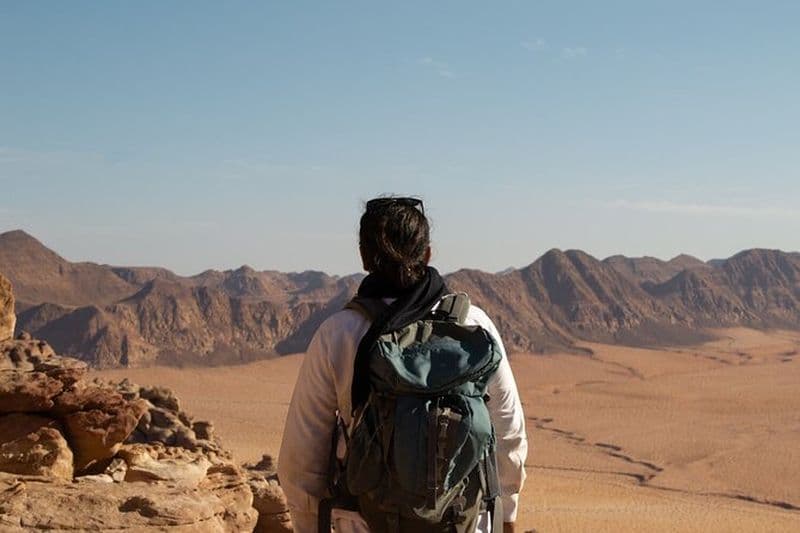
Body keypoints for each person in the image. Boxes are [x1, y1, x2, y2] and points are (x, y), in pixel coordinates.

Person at [278, 196, 527, 533]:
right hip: (462, 524)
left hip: (364, 522)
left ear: (365, 258)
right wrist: (506, 513)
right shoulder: (473, 325)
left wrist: (308, 525)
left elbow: (302, 456)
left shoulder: (339, 334)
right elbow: (509, 430)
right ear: (427, 253)